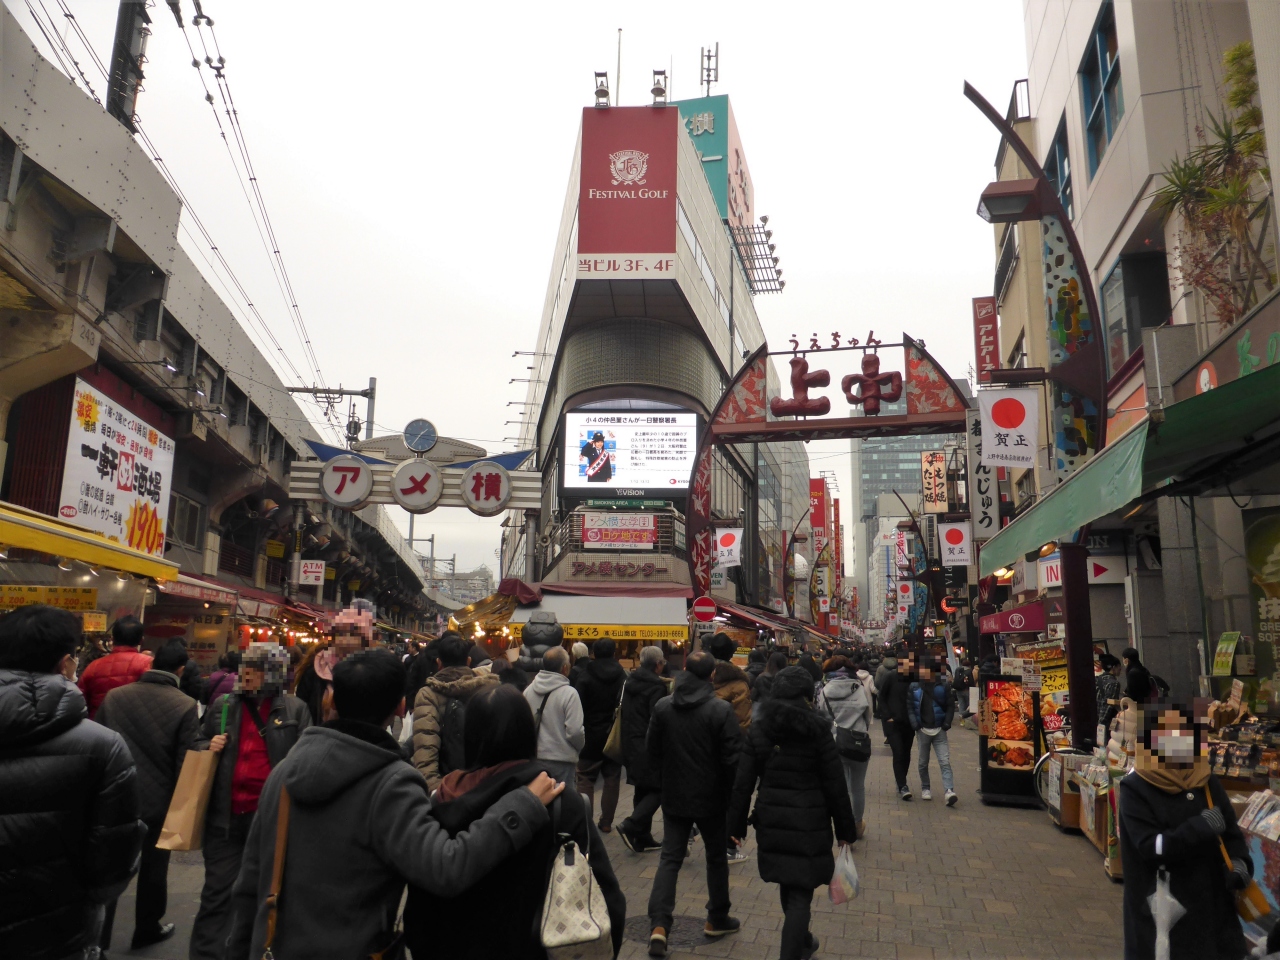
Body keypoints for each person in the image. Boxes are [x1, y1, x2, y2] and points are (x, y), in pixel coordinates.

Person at [226, 651, 571, 960]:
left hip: (270, 949)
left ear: (331, 700)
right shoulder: (392, 785)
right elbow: (446, 867)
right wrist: (522, 806)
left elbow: (248, 884)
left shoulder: (284, 773)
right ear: (400, 707)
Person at [405, 683, 626, 958]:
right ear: (528, 732)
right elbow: (608, 899)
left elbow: (420, 907)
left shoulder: (443, 799)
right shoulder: (561, 801)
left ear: (470, 735)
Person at [0, 605, 145, 960]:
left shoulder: (101, 735)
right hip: (59, 929)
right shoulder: (104, 746)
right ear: (66, 663)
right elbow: (113, 855)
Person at [190, 642, 311, 960]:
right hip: (225, 819)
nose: (245, 674)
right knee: (216, 897)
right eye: (245, 667)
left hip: (270, 821)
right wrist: (207, 745)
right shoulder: (223, 706)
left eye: (255, 670)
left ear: (273, 675)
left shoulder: (294, 710)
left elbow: (305, 761)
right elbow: (198, 740)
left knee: (263, 897)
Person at [730, 667, 857, 960]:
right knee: (800, 893)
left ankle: (803, 941)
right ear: (807, 695)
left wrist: (734, 826)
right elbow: (835, 784)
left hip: (772, 819)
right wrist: (845, 831)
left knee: (789, 882)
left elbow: (743, 782)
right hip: (810, 821)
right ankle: (795, 947)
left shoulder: (761, 728)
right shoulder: (819, 731)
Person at [1119, 702, 1251, 960]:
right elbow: (1150, 847)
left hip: (1214, 914)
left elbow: (1230, 834)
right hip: (1165, 916)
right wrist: (1198, 827)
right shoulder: (1136, 788)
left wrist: (1240, 864)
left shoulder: (1205, 780)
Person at [95, 639, 200, 952]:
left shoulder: (115, 697)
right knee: (155, 867)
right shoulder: (184, 705)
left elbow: (98, 745)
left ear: (152, 664)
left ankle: (98, 939)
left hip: (115, 795)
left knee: (109, 866)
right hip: (158, 800)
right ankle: (147, 927)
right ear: (180, 669)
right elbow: (185, 762)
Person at [645, 651, 743, 957]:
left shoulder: (664, 706)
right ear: (712, 675)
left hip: (674, 794)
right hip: (712, 797)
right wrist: (732, 798)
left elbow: (652, 750)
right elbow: (733, 760)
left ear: (685, 669)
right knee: (715, 857)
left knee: (670, 858)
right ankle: (717, 917)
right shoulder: (720, 710)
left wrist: (664, 779)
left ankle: (659, 925)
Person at [411, 631, 501, 792]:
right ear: (468, 661)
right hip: (485, 784)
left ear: (439, 662)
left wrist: (435, 790)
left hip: (446, 784)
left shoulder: (428, 694)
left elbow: (426, 744)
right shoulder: (489, 690)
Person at [617, 644, 668, 853]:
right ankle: (631, 825)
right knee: (660, 788)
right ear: (657, 665)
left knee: (642, 787)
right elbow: (657, 719)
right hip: (647, 743)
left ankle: (642, 837)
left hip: (629, 741)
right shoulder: (657, 686)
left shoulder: (629, 681)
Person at [815, 655, 873, 834]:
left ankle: (844, 827)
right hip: (858, 741)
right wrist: (860, 728)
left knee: (841, 787)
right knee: (858, 786)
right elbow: (868, 714)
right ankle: (857, 824)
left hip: (835, 742)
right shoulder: (859, 688)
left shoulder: (825, 690)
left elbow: (821, 716)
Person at [574, 637, 627, 831]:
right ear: (614, 652)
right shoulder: (622, 675)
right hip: (614, 734)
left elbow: (578, 705)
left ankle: (586, 822)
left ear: (593, 653)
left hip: (589, 735)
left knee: (585, 778)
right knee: (612, 778)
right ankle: (606, 822)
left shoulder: (585, 675)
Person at [294, 602, 376, 721]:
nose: (347, 639)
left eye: (353, 633)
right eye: (342, 632)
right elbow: (301, 711)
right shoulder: (314, 670)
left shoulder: (373, 671)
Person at [523, 644, 584, 785]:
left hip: (535, 759)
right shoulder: (569, 693)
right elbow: (575, 731)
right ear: (564, 668)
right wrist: (577, 749)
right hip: (562, 761)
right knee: (563, 797)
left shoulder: (528, 691)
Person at [77, 615, 153, 719]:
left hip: (99, 724)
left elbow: (80, 701)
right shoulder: (149, 664)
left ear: (112, 639)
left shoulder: (94, 666)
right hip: (136, 724)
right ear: (141, 640)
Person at [907, 657, 957, 805]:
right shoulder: (915, 686)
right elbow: (910, 706)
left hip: (939, 728)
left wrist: (946, 723)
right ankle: (925, 787)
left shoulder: (943, 685)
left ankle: (949, 790)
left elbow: (950, 705)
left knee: (944, 761)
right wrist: (915, 724)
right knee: (923, 762)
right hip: (922, 729)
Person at [880, 651, 916, 800]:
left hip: (909, 722)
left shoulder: (914, 679)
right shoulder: (890, 676)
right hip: (893, 723)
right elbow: (881, 696)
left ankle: (901, 780)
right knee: (898, 752)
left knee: (906, 753)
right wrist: (887, 716)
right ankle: (903, 785)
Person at [874, 653, 897, 744]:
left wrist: (882, 689)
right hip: (896, 694)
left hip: (883, 695)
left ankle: (888, 735)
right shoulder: (898, 667)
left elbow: (876, 682)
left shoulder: (881, 668)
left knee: (885, 715)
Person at [1097, 653, 1123, 728]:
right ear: (1113, 667)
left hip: (1096, 717)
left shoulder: (1097, 679)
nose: (1120, 670)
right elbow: (1109, 705)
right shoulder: (1114, 683)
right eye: (1119, 667)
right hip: (1106, 721)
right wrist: (1101, 724)